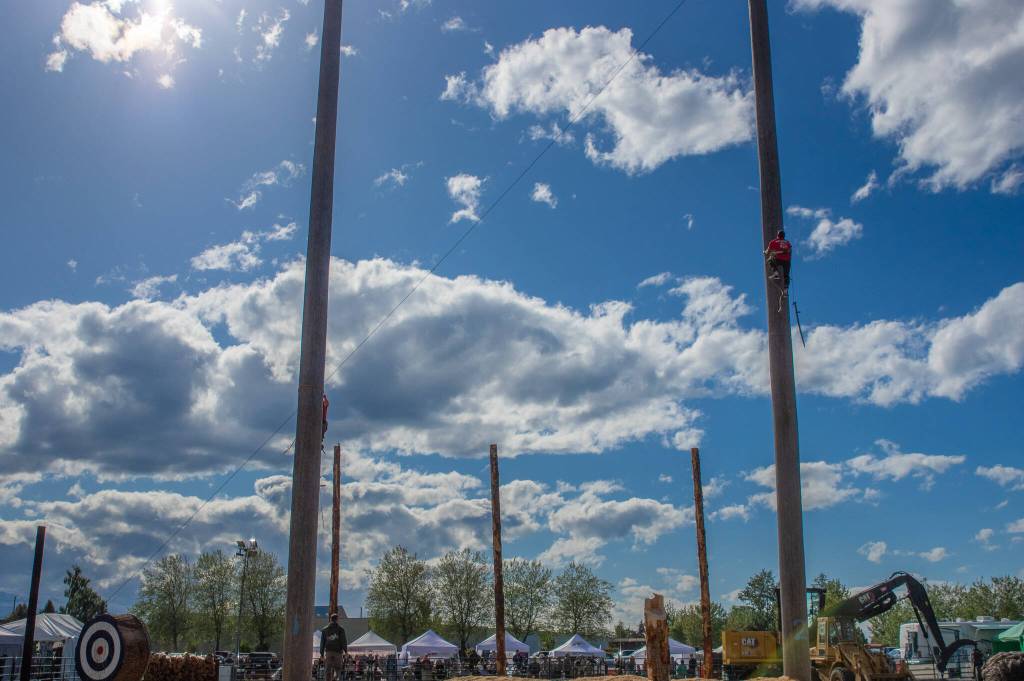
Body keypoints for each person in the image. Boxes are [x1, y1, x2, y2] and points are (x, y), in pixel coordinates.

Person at [319, 613, 348, 681]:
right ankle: (336, 678)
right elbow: (343, 641)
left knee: (327, 670)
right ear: (337, 620)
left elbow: (322, 643)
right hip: (338, 652)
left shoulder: (324, 630)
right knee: (338, 669)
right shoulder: (341, 629)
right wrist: (346, 651)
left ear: (330, 619)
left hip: (328, 652)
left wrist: (322, 654)